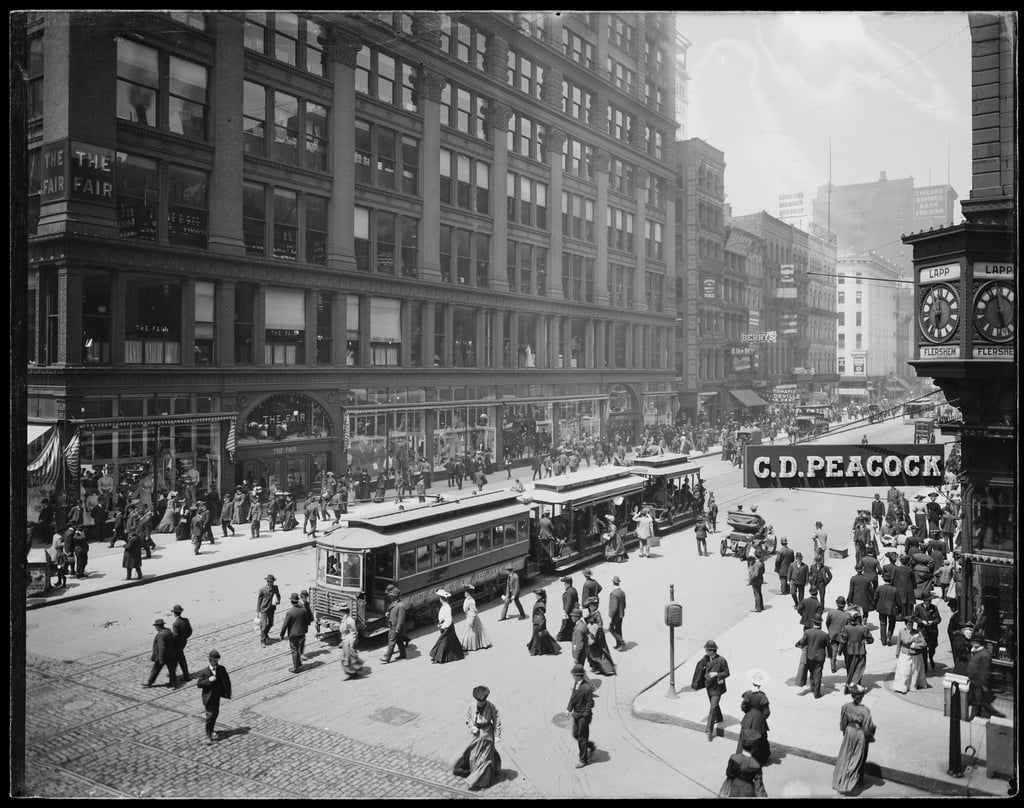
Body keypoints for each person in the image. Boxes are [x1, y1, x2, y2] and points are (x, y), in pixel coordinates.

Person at [453, 685, 503, 789]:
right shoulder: (471, 706)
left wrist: (498, 735)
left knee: (485, 759)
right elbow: (468, 718)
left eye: (483, 701)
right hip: (475, 736)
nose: (481, 703)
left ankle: (483, 782)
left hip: (487, 736)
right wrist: (472, 726)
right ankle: (474, 775)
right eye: (479, 701)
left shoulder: (491, 707)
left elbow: (497, 719)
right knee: (473, 757)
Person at [832, 683, 876, 794]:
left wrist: (844, 731)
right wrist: (871, 733)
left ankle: (840, 779)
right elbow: (867, 728)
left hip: (849, 731)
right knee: (858, 757)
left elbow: (843, 723)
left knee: (846, 754)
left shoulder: (846, 706)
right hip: (859, 734)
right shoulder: (865, 711)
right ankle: (852, 781)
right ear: (862, 697)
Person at [195, 649, 232, 744]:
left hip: (216, 697)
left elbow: (226, 681)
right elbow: (199, 684)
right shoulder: (204, 672)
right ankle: (208, 735)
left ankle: (211, 730)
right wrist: (209, 681)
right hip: (208, 698)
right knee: (210, 716)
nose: (216, 663)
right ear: (210, 660)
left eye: (217, 661)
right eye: (215, 661)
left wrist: (227, 693)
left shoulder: (221, 669)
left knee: (215, 714)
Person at [736, 669, 772, 766]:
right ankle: (760, 758)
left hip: (748, 718)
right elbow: (766, 712)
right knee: (761, 739)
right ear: (760, 685)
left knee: (743, 737)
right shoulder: (762, 696)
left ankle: (740, 757)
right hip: (759, 720)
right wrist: (761, 717)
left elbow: (743, 706)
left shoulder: (748, 694)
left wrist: (748, 713)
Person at [966, 634, 1005, 720]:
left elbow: (985, 671)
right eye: (974, 641)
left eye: (977, 642)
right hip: (974, 682)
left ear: (981, 643)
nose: (974, 643)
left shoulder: (984, 654)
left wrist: (983, 685)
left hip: (979, 683)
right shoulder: (977, 651)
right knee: (977, 702)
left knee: (981, 702)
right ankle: (975, 716)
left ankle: (998, 715)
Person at [697, 640, 729, 740]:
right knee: (714, 704)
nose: (705, 651)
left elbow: (727, 673)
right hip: (709, 686)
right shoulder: (706, 659)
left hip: (717, 688)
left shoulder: (721, 660)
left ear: (712, 651)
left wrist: (717, 674)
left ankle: (709, 731)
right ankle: (719, 718)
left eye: (707, 650)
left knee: (712, 708)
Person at [721, 729, 768, 797]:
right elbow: (759, 786)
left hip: (734, 789)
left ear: (742, 745)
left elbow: (729, 773)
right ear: (754, 748)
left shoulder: (733, 758)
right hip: (748, 792)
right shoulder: (756, 765)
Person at [566, 664, 596, 769]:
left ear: (579, 676)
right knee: (575, 734)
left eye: (574, 675)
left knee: (582, 738)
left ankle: (583, 760)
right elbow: (573, 697)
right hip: (576, 714)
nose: (573, 676)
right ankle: (590, 746)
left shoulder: (587, 688)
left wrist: (585, 715)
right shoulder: (576, 684)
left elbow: (590, 703)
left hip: (583, 716)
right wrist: (569, 709)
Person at [838, 610, 874, 692]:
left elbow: (843, 641)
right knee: (859, 669)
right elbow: (871, 640)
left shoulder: (846, 628)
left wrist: (840, 651)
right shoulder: (864, 629)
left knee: (850, 670)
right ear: (859, 619)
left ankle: (849, 685)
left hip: (849, 652)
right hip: (860, 652)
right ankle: (855, 685)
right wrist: (866, 641)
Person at [892, 617, 928, 694]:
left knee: (915, 672)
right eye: (908, 624)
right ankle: (902, 687)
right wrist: (897, 652)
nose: (910, 626)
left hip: (915, 655)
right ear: (906, 624)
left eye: (911, 624)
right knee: (905, 671)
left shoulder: (917, 632)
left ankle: (912, 686)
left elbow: (924, 643)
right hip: (905, 654)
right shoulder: (901, 631)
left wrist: (915, 646)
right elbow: (900, 642)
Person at [795, 617, 829, 698]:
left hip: (810, 656)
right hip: (820, 658)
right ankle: (817, 693)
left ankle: (813, 687)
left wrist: (797, 644)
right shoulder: (824, 634)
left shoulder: (807, 632)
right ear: (820, 623)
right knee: (818, 674)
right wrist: (831, 657)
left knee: (812, 672)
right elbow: (828, 646)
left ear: (813, 623)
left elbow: (802, 642)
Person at [429, 589, 465, 664]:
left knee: (442, 641)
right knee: (450, 641)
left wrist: (444, 627)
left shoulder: (447, 607)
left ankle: (438, 657)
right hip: (445, 625)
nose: (439, 599)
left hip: (447, 627)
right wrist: (440, 623)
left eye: (440, 598)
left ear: (442, 599)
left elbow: (448, 619)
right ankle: (455, 655)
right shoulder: (444, 606)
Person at [279, 592, 312, 673]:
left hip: (293, 634)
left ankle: (296, 668)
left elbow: (285, 625)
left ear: (291, 602)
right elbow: (307, 621)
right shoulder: (303, 610)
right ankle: (299, 664)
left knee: (294, 650)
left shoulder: (290, 612)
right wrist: (304, 630)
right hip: (302, 633)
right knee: (299, 648)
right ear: (297, 601)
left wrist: (281, 635)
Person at [583, 597, 616, 675]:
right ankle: (596, 667)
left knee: (601, 651)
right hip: (593, 635)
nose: (590, 607)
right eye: (590, 606)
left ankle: (609, 669)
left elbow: (600, 624)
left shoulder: (597, 614)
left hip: (598, 635)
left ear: (595, 606)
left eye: (592, 606)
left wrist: (593, 628)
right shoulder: (591, 613)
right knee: (592, 651)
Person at [911, 591, 942, 673]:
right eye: (928, 601)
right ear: (924, 601)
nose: (929, 603)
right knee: (923, 650)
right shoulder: (918, 607)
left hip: (932, 631)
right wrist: (921, 621)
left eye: (930, 601)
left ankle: (931, 657)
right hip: (923, 632)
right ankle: (924, 666)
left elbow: (939, 619)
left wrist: (933, 622)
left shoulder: (934, 608)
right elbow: (914, 617)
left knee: (932, 648)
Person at [144, 618, 178, 688]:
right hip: (171, 655)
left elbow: (162, 648)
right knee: (172, 670)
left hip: (163, 656)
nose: (155, 628)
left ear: (158, 626)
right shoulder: (168, 631)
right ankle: (173, 683)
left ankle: (150, 682)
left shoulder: (161, 635)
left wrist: (160, 659)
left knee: (155, 669)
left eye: (156, 626)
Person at [380, 585, 409, 663]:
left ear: (396, 597)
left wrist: (398, 629)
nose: (390, 597)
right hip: (392, 626)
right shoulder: (394, 604)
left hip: (396, 628)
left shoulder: (401, 606)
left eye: (392, 596)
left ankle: (387, 658)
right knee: (399, 641)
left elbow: (401, 619)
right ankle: (403, 654)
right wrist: (388, 614)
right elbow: (392, 611)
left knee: (391, 642)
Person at [527, 590, 562, 656]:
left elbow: (541, 615)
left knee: (540, 636)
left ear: (540, 596)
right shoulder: (540, 602)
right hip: (537, 621)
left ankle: (536, 650)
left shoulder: (540, 604)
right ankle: (538, 649)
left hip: (538, 622)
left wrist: (541, 624)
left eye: (537, 595)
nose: (535, 596)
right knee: (539, 636)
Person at [460, 585, 492, 652]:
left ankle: (471, 646)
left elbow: (472, 611)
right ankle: (468, 645)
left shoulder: (471, 601)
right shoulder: (467, 599)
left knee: (472, 632)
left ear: (468, 593)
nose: (464, 593)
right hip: (468, 616)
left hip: (472, 617)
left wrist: (471, 620)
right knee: (469, 633)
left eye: (465, 592)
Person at [825, 596, 852, 674]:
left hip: (833, 634)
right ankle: (848, 665)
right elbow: (848, 627)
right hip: (843, 636)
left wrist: (830, 630)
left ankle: (833, 667)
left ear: (837, 603)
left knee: (833, 651)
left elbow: (827, 623)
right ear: (844, 605)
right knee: (845, 652)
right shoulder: (847, 616)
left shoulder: (831, 613)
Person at [337, 603, 364, 678]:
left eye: (340, 611)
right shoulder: (344, 619)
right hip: (345, 641)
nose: (339, 612)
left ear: (343, 611)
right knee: (347, 658)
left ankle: (353, 673)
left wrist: (351, 644)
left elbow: (353, 633)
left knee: (350, 659)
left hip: (349, 642)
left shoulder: (350, 620)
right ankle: (352, 673)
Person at [872, 574, 900, 646]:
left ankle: (883, 640)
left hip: (881, 608)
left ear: (884, 579)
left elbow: (875, 598)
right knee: (892, 623)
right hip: (891, 609)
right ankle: (889, 637)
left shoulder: (879, 588)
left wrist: (874, 606)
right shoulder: (894, 589)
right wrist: (899, 609)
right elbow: (898, 601)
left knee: (882, 623)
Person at [256, 573, 282, 647]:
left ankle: (265, 634)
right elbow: (259, 600)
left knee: (271, 624)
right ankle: (263, 641)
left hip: (271, 609)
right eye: (270, 581)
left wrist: (278, 601)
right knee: (264, 626)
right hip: (264, 609)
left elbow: (278, 595)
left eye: (272, 581)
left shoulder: (275, 588)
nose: (271, 583)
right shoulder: (262, 589)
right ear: (267, 582)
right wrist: (258, 611)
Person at [170, 604, 193, 683]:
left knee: (178, 659)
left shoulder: (175, 624)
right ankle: (185, 676)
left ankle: (174, 678)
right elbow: (190, 631)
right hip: (183, 642)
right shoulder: (186, 620)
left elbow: (175, 636)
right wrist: (184, 638)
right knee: (179, 659)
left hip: (177, 645)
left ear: (175, 613)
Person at [556, 577, 579, 642]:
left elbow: (569, 603)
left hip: (569, 612)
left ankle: (561, 637)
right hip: (573, 611)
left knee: (565, 625)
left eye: (565, 583)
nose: (564, 584)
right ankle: (571, 636)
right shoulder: (574, 590)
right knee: (571, 625)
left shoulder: (569, 592)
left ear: (568, 583)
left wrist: (566, 612)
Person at [607, 576, 626, 650]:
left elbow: (613, 607)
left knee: (611, 629)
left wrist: (611, 616)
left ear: (613, 583)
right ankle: (619, 645)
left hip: (616, 615)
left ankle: (621, 642)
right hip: (621, 614)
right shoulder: (622, 592)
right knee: (618, 629)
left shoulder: (614, 594)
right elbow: (624, 604)